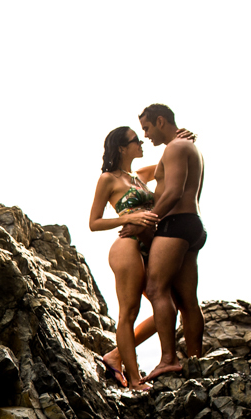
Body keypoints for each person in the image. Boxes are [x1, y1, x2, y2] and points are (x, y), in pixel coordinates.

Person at [135, 103, 206, 381]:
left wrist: (149, 219)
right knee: (188, 300)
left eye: (147, 128)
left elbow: (174, 192)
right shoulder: (185, 147)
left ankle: (168, 359)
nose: (146, 135)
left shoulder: (175, 148)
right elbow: (142, 175)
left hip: (175, 225)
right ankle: (195, 361)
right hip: (192, 226)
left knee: (155, 288)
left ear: (161, 121)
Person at [89, 126, 162, 390]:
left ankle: (115, 356)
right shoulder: (108, 179)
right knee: (129, 312)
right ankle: (135, 380)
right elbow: (93, 222)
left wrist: (180, 137)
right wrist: (128, 217)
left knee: (168, 308)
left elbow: (170, 162)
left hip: (149, 246)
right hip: (127, 246)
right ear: (122, 148)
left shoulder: (139, 175)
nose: (141, 144)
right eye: (136, 141)